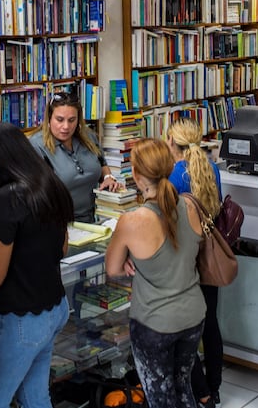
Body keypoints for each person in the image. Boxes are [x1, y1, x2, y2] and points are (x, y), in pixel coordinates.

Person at [0, 121, 74, 408]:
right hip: (55, 308)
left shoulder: (8, 199)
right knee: (35, 398)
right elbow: (62, 248)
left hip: (18, 319)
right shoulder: (49, 184)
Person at [105, 138, 206, 408]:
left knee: (159, 397)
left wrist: (131, 257)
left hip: (154, 321)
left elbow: (112, 268)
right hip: (193, 314)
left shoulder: (132, 221)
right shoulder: (191, 206)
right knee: (183, 387)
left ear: (135, 174)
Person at [166, 117, 223, 407]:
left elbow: (167, 219)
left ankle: (199, 390)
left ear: (170, 142)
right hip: (209, 254)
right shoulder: (212, 168)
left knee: (185, 328)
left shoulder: (173, 176)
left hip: (185, 258)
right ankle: (214, 387)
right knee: (209, 321)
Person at [30, 91, 122, 222]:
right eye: (60, 120)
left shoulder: (88, 137)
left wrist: (108, 178)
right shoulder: (36, 146)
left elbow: (102, 163)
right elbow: (39, 196)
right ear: (49, 118)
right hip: (59, 223)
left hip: (93, 218)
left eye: (72, 120)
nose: (66, 127)